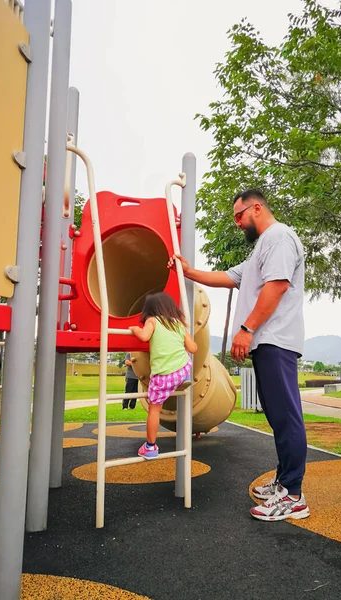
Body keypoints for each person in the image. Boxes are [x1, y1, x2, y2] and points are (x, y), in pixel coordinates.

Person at [168, 188, 309, 521]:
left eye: (239, 216)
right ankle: (285, 481)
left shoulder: (278, 238)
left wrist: (246, 329)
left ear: (256, 208)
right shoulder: (263, 245)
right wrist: (187, 272)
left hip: (275, 339)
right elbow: (229, 277)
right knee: (278, 417)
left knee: (286, 417)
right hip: (267, 341)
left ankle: (294, 496)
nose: (237, 223)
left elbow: (277, 285)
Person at [129, 292, 197, 458]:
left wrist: (135, 329)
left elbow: (144, 336)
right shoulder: (178, 324)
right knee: (186, 357)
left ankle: (150, 447)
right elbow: (193, 348)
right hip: (182, 369)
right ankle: (184, 379)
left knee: (154, 409)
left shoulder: (152, 321)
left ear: (150, 310)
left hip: (163, 375)